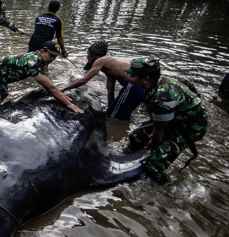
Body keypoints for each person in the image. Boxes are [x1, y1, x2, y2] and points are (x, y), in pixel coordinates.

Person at [125, 56, 208, 184]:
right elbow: (190, 86)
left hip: (190, 127)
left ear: (146, 79)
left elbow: (159, 133)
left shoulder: (162, 99)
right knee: (136, 137)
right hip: (174, 118)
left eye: (133, 76)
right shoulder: (157, 83)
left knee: (152, 166)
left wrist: (153, 152)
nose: (130, 79)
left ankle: (165, 189)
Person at [0, 41, 84, 114]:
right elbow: (50, 87)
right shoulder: (34, 63)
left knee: (4, 93)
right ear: (42, 51)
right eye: (50, 55)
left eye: (55, 57)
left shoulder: (38, 58)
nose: (52, 59)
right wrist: (69, 105)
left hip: (0, 74)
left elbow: (50, 84)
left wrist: (60, 93)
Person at [61, 40, 145, 121]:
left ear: (93, 55)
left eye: (88, 53)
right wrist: (109, 108)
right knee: (119, 114)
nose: (87, 57)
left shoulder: (100, 61)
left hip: (133, 86)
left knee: (115, 118)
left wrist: (64, 89)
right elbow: (110, 91)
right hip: (142, 86)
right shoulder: (110, 68)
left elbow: (84, 80)